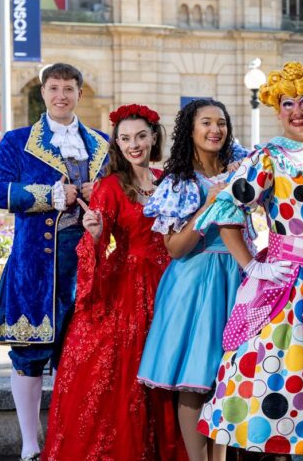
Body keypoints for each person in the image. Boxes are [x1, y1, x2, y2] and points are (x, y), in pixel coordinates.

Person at [195, 61, 303, 457]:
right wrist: (253, 265)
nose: (298, 110)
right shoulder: (269, 157)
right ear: (277, 109)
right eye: (288, 103)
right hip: (286, 287)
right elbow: (226, 210)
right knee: (276, 383)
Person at [42, 104, 186, 460]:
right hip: (126, 286)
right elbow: (97, 237)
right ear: (116, 144)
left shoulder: (168, 182)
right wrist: (93, 234)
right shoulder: (109, 185)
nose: (133, 144)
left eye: (140, 136)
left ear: (154, 137)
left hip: (169, 284)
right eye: (124, 138)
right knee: (117, 376)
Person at [0, 63, 107, 461]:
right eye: (54, 88)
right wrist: (49, 195)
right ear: (43, 93)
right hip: (36, 267)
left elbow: (123, 197)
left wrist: (98, 192)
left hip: (89, 266)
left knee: (83, 356)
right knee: (29, 354)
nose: (61, 96)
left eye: (69, 89)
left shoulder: (102, 144)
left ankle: (72, 439)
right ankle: (30, 442)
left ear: (79, 94)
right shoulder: (17, 141)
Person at [137, 98, 249, 460]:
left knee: (228, 380)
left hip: (239, 278)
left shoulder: (241, 170)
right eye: (206, 122)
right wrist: (207, 207)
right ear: (191, 129)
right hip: (196, 281)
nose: (215, 129)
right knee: (196, 380)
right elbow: (174, 248)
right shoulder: (180, 182)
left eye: (221, 122)